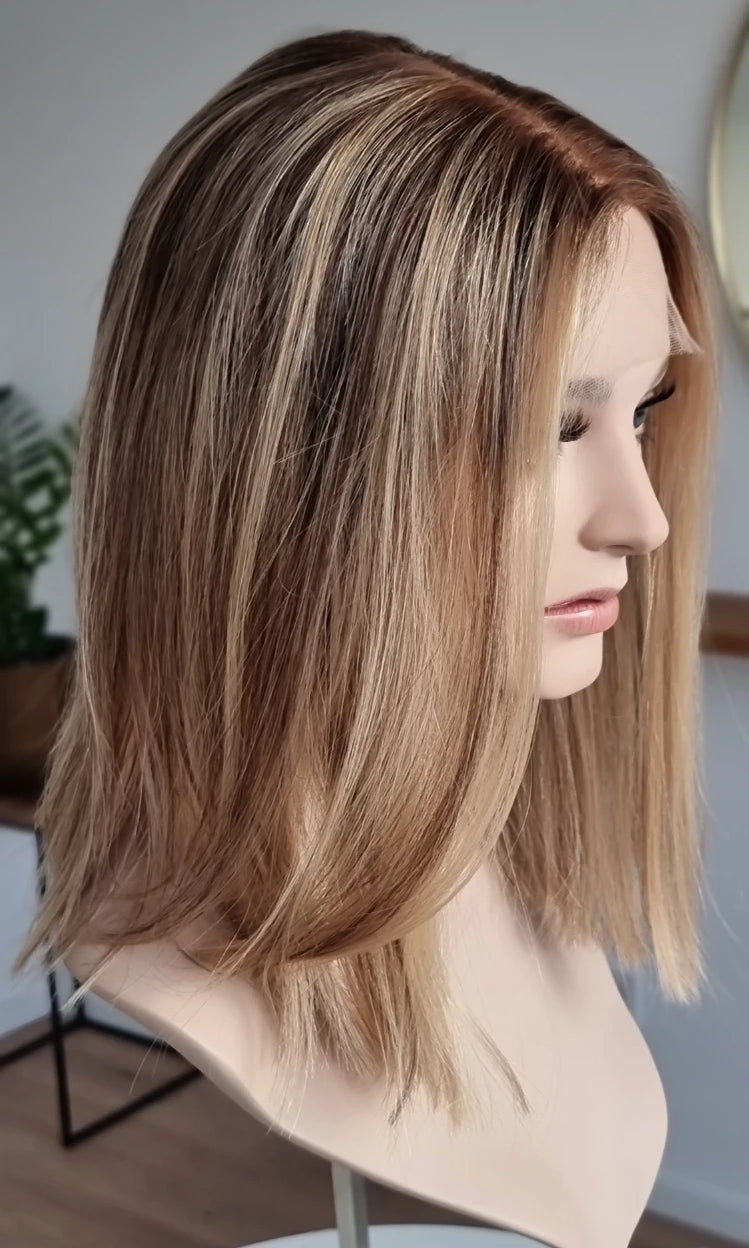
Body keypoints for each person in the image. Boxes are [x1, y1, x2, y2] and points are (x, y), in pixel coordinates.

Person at [16, 27, 719, 1248]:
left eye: (642, 414)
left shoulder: (522, 887)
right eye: (551, 426)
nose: (641, 519)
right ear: (284, 460)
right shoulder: (183, 954)